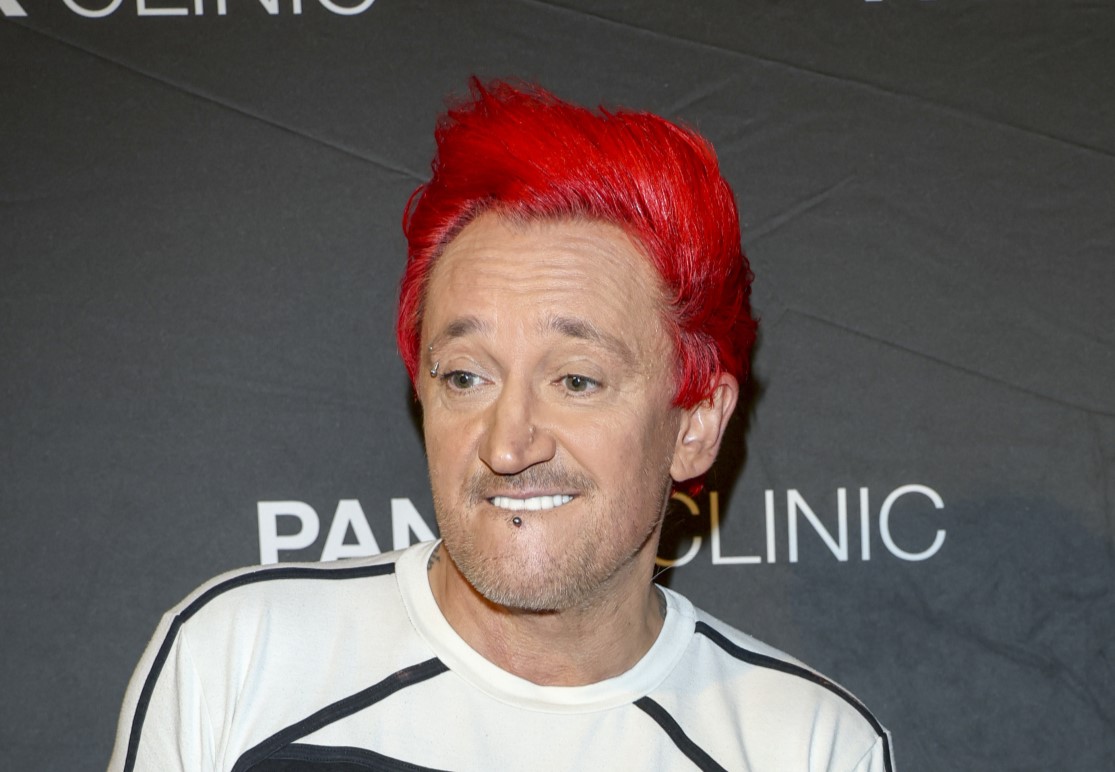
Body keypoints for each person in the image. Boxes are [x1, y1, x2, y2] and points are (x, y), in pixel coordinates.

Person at [110, 79, 895, 772]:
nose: (508, 444)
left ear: (694, 424)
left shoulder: (806, 748)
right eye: (466, 377)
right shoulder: (241, 658)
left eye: (576, 380)